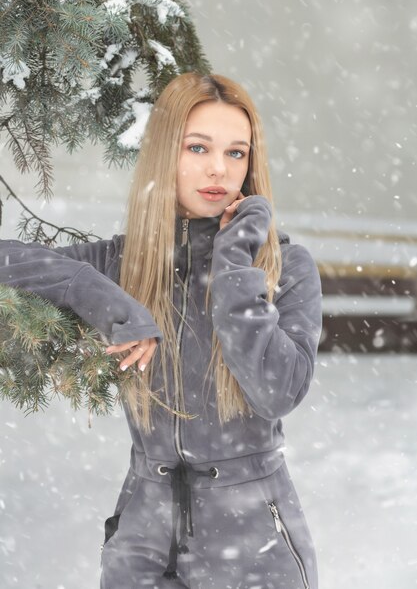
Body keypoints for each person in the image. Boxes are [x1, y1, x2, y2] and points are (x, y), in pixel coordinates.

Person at [0, 73, 322, 589]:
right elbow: (7, 261)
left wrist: (235, 262)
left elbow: (276, 391)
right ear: (165, 153)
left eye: (236, 153)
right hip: (142, 539)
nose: (219, 168)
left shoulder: (287, 267)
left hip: (253, 544)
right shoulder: (126, 261)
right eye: (198, 147)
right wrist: (100, 295)